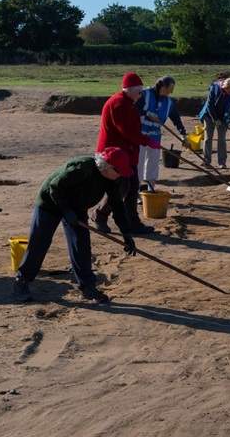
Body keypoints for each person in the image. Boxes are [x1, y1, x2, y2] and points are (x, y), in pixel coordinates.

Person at [13, 147, 137, 305]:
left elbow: (118, 205)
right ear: (106, 167)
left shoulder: (113, 179)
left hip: (77, 207)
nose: (121, 175)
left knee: (81, 245)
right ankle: (21, 281)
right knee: (39, 242)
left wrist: (126, 232)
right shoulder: (82, 168)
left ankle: (87, 287)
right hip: (50, 203)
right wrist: (66, 211)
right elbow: (55, 187)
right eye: (118, 171)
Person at [90, 72, 159, 234]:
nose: (141, 95)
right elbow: (126, 131)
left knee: (133, 186)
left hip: (127, 153)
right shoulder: (119, 104)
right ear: (129, 89)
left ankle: (132, 222)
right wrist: (146, 141)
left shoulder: (128, 103)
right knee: (123, 187)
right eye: (139, 91)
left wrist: (144, 138)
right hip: (113, 154)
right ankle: (99, 215)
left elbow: (133, 128)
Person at [135, 75, 187, 191]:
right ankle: (136, 193)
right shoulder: (144, 94)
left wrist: (183, 135)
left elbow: (176, 119)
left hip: (155, 136)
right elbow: (133, 108)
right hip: (140, 135)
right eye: (169, 89)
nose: (171, 92)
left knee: (153, 164)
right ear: (162, 87)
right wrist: (146, 113)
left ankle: (151, 189)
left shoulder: (168, 102)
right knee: (138, 163)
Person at [199, 77, 230, 168]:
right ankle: (206, 160)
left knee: (221, 140)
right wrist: (215, 119)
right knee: (208, 138)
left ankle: (222, 162)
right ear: (226, 88)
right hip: (209, 115)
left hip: (223, 118)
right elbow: (209, 105)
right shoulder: (215, 89)